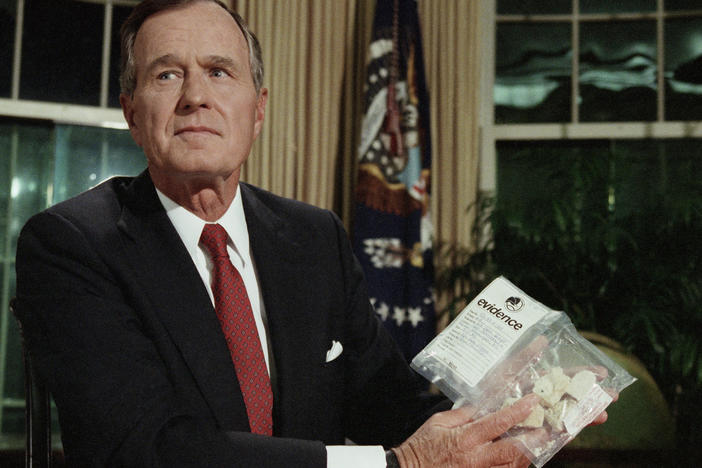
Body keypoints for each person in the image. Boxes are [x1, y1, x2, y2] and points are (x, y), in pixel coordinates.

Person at [14, 1, 606, 466]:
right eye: (168, 74)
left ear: (259, 109)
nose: (197, 96)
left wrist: (510, 408)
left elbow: (390, 408)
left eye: (220, 72)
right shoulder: (72, 244)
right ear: (131, 111)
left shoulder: (312, 237)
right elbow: (150, 450)